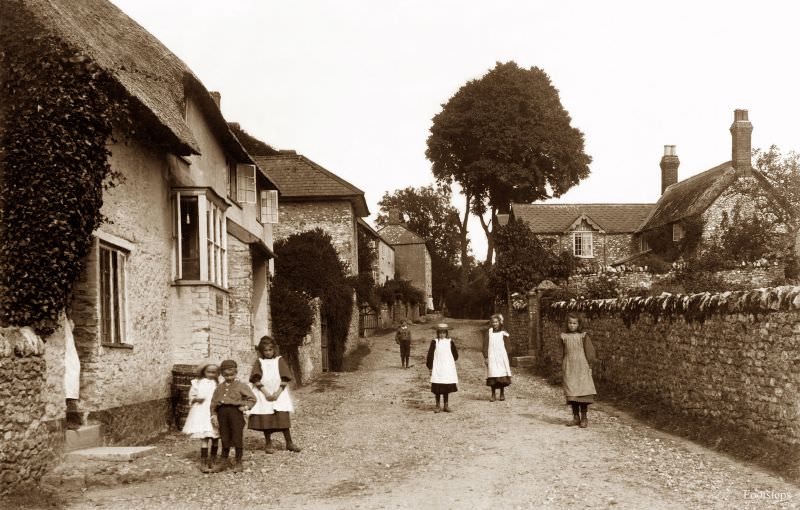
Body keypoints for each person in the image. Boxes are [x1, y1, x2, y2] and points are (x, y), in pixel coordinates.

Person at [248, 336, 301, 453]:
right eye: (265, 350)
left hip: (279, 392)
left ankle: (289, 442)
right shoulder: (259, 362)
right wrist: (266, 393)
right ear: (262, 351)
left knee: (282, 416)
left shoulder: (279, 360)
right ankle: (268, 443)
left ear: (274, 350)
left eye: (270, 350)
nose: (268, 353)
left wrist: (277, 393)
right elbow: (256, 379)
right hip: (263, 393)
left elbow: (285, 377)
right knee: (266, 417)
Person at [210, 359, 257, 472]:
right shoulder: (219, 388)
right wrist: (214, 415)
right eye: (226, 375)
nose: (229, 377)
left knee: (237, 436)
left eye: (232, 374)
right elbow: (213, 403)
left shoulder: (241, 385)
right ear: (222, 374)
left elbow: (252, 399)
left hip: (236, 413)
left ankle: (238, 461)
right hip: (222, 414)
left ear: (236, 373)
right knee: (224, 436)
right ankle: (223, 461)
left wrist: (245, 407)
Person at [181, 362, 221, 472]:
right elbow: (191, 396)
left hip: (213, 411)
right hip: (202, 411)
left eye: (214, 372)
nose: (211, 374)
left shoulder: (217, 383)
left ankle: (213, 458)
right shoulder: (197, 383)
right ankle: (203, 460)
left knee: (215, 436)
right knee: (204, 436)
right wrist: (196, 399)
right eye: (209, 372)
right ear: (203, 371)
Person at [561, 313, 597, 428]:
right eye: (570, 323)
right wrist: (561, 364)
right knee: (572, 392)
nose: (572, 325)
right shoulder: (563, 337)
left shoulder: (583, 336)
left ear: (579, 324)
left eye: (574, 323)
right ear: (567, 324)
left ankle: (584, 417)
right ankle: (576, 417)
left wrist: (590, 365)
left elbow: (590, 352)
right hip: (569, 367)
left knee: (582, 392)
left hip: (582, 367)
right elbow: (561, 352)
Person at [426, 323, 459, 413]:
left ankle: (446, 405)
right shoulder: (434, 342)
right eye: (440, 333)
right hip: (437, 367)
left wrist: (449, 362)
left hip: (446, 367)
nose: (442, 335)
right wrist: (430, 366)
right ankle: (437, 405)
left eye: (444, 333)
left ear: (446, 333)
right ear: (437, 333)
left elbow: (455, 355)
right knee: (437, 386)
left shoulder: (450, 342)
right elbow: (430, 355)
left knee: (446, 386)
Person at [483, 314, 512, 402]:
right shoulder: (489, 332)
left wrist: (506, 355)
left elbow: (508, 346)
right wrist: (486, 356)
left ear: (500, 322)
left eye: (496, 322)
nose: (495, 324)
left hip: (501, 357)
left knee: (501, 375)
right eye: (493, 322)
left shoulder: (503, 333)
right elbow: (485, 345)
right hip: (492, 356)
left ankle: (502, 393)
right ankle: (493, 394)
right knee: (493, 374)